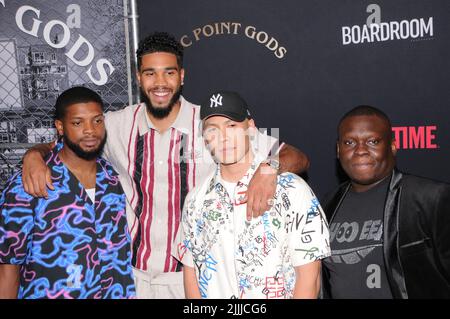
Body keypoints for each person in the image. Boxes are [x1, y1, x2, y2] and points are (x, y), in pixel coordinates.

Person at [20, 32, 309, 298]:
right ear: (138, 77)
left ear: (181, 76)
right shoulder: (117, 125)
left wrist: (268, 168)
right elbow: (75, 137)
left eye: (169, 73)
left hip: (189, 277)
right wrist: (34, 153)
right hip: (129, 275)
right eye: (150, 73)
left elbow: (295, 156)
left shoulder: (210, 123)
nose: (160, 83)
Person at [174, 91, 330, 299]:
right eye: (213, 130)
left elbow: (309, 278)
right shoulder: (196, 200)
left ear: (251, 129)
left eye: (232, 126)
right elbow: (191, 273)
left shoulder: (292, 190)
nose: (223, 138)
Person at [0, 87, 135, 299]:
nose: (90, 130)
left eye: (97, 120)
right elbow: (8, 266)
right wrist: (34, 154)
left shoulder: (114, 178)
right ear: (60, 127)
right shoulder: (27, 185)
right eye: (77, 123)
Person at [321, 105, 450, 299]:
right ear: (339, 150)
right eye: (349, 142)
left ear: (392, 146)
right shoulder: (328, 203)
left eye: (372, 141)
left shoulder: (430, 197)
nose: (361, 150)